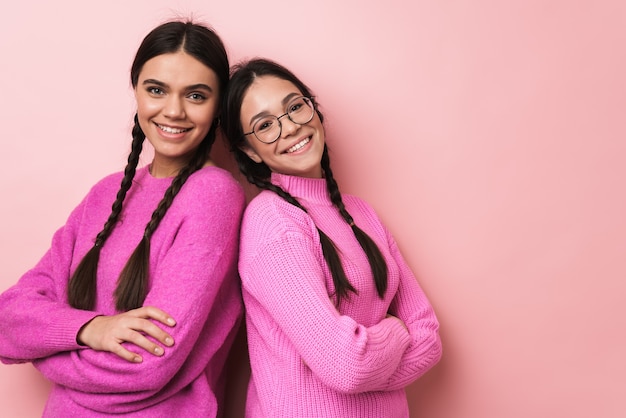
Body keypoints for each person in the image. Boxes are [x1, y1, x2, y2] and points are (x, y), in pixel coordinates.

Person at [0, 20, 245, 417]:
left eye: (196, 95)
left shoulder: (213, 196)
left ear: (217, 106)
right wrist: (90, 329)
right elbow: (8, 317)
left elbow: (147, 365)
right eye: (156, 90)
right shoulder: (107, 193)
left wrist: (46, 349)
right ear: (136, 91)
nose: (174, 111)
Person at [221, 58, 443, 417]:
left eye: (295, 107)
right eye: (265, 126)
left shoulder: (361, 214)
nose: (291, 128)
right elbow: (347, 364)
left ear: (313, 109)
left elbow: (429, 336)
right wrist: (397, 332)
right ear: (248, 151)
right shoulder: (273, 222)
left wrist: (370, 353)